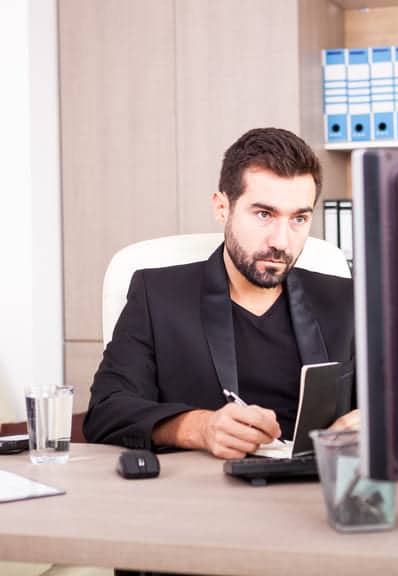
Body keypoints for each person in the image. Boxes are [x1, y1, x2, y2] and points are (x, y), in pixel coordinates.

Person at [84, 127, 357, 459]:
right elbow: (106, 412)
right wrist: (200, 428)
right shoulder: (156, 295)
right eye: (264, 214)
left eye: (299, 218)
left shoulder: (348, 300)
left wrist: (380, 421)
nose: (281, 241)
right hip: (206, 494)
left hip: (317, 493)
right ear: (222, 207)